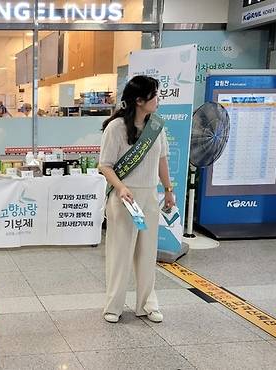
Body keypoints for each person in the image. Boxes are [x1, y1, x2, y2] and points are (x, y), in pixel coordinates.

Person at [98, 75, 175, 324]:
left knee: (147, 252)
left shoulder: (157, 126)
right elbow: (105, 166)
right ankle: (114, 305)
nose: (158, 100)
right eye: (154, 95)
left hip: (149, 198)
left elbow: (162, 159)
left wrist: (168, 189)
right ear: (139, 100)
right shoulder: (116, 128)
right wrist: (120, 188)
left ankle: (147, 304)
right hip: (125, 200)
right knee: (120, 252)